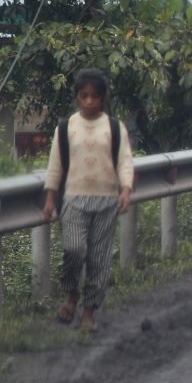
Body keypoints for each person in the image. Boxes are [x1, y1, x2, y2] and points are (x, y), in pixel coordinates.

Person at [42, 68, 135, 332]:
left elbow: (125, 162)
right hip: (73, 199)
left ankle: (89, 312)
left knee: (99, 260)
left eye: (95, 96)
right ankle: (71, 295)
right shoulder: (66, 127)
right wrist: (50, 199)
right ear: (77, 98)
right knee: (73, 249)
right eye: (84, 96)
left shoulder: (115, 128)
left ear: (103, 98)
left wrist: (126, 190)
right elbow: (55, 165)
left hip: (106, 202)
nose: (89, 101)